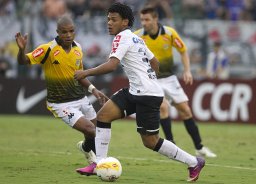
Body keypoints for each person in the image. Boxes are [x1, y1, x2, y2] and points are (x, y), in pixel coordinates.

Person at [74, 3, 205, 182]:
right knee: (103, 116)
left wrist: (85, 72)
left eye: (113, 20)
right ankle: (99, 163)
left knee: (150, 142)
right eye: (108, 19)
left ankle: (194, 162)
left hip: (147, 95)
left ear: (125, 21)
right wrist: (148, 77)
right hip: (137, 91)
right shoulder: (136, 38)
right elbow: (155, 62)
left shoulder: (123, 37)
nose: (109, 23)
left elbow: (112, 65)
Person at [15, 14, 108, 166]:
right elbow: (23, 61)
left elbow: (79, 74)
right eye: (64, 32)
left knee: (95, 131)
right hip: (61, 104)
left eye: (71, 31)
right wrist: (21, 50)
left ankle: (86, 148)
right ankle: (100, 164)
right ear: (57, 32)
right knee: (91, 130)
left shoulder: (78, 48)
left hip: (81, 98)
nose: (68, 35)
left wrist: (93, 90)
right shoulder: (47, 49)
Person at [134, 7, 217, 158]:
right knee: (163, 107)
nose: (143, 23)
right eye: (142, 20)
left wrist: (187, 70)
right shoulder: (137, 36)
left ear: (155, 19)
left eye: (146, 19)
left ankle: (199, 147)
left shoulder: (169, 33)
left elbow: (183, 51)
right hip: (151, 80)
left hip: (170, 78)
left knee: (185, 111)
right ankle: (171, 144)